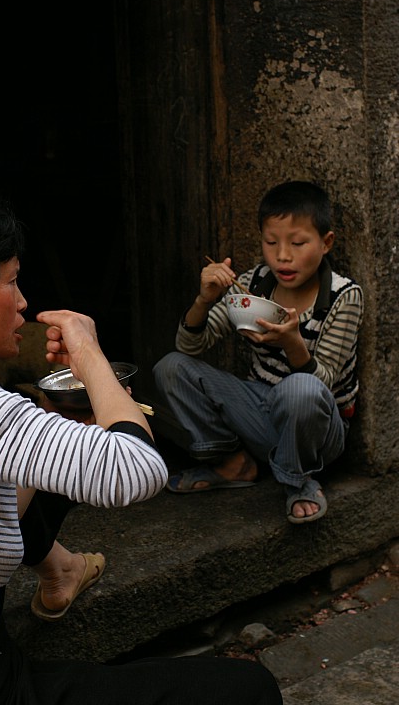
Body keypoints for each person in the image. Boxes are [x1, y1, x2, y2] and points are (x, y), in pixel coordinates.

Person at [0, 188, 283, 704]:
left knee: (48, 445)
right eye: (12, 282)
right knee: (249, 689)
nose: (22, 302)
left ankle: (60, 568)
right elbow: (137, 470)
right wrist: (87, 353)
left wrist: (66, 424)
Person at [153, 180, 363, 525]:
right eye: (271, 242)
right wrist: (204, 300)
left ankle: (298, 479)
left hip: (319, 431)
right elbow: (190, 346)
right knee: (171, 367)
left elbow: (324, 381)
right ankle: (234, 463)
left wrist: (292, 343)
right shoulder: (254, 284)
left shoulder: (344, 296)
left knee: (301, 389)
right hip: (261, 412)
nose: (283, 255)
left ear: (326, 243)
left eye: (297, 243)